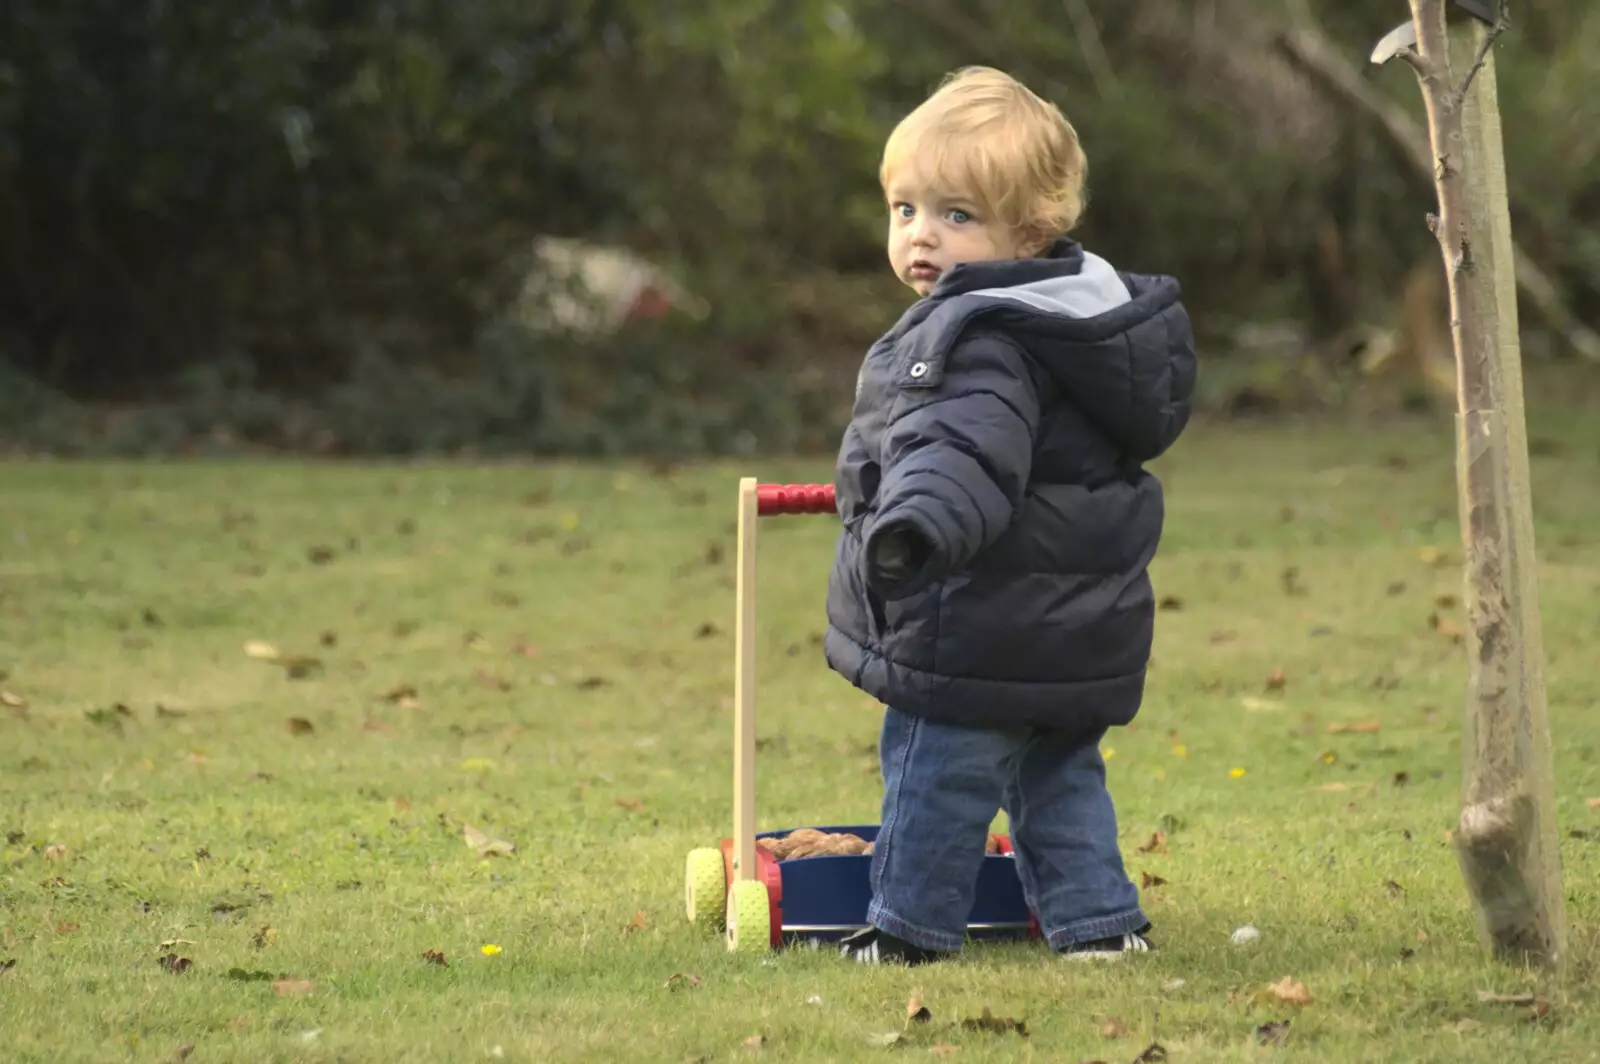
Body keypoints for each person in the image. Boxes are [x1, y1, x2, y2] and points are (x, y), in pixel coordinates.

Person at [824, 66, 1197, 965]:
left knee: (934, 776)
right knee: (1058, 775)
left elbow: (967, 454)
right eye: (905, 210)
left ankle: (909, 931)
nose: (921, 236)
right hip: (1073, 629)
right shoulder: (1074, 324)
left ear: (1028, 234)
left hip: (976, 621)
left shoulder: (982, 339)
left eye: (956, 216)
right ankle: (1098, 925)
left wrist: (915, 526)